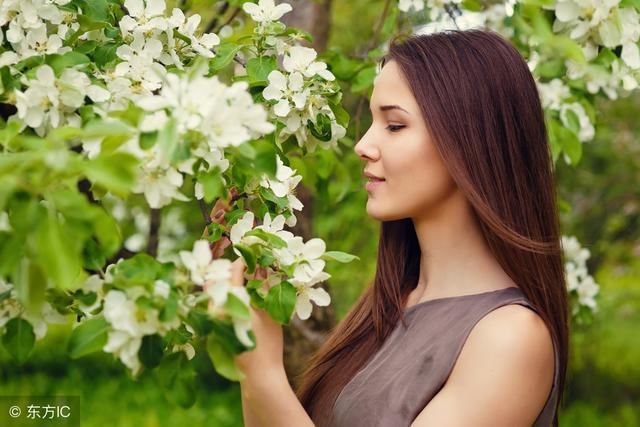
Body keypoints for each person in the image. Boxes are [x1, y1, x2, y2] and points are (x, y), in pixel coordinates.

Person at [229, 29, 569, 427]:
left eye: (394, 125)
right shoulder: (389, 304)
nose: (363, 144)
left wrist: (262, 370)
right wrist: (251, 366)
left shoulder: (510, 339)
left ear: (469, 139)